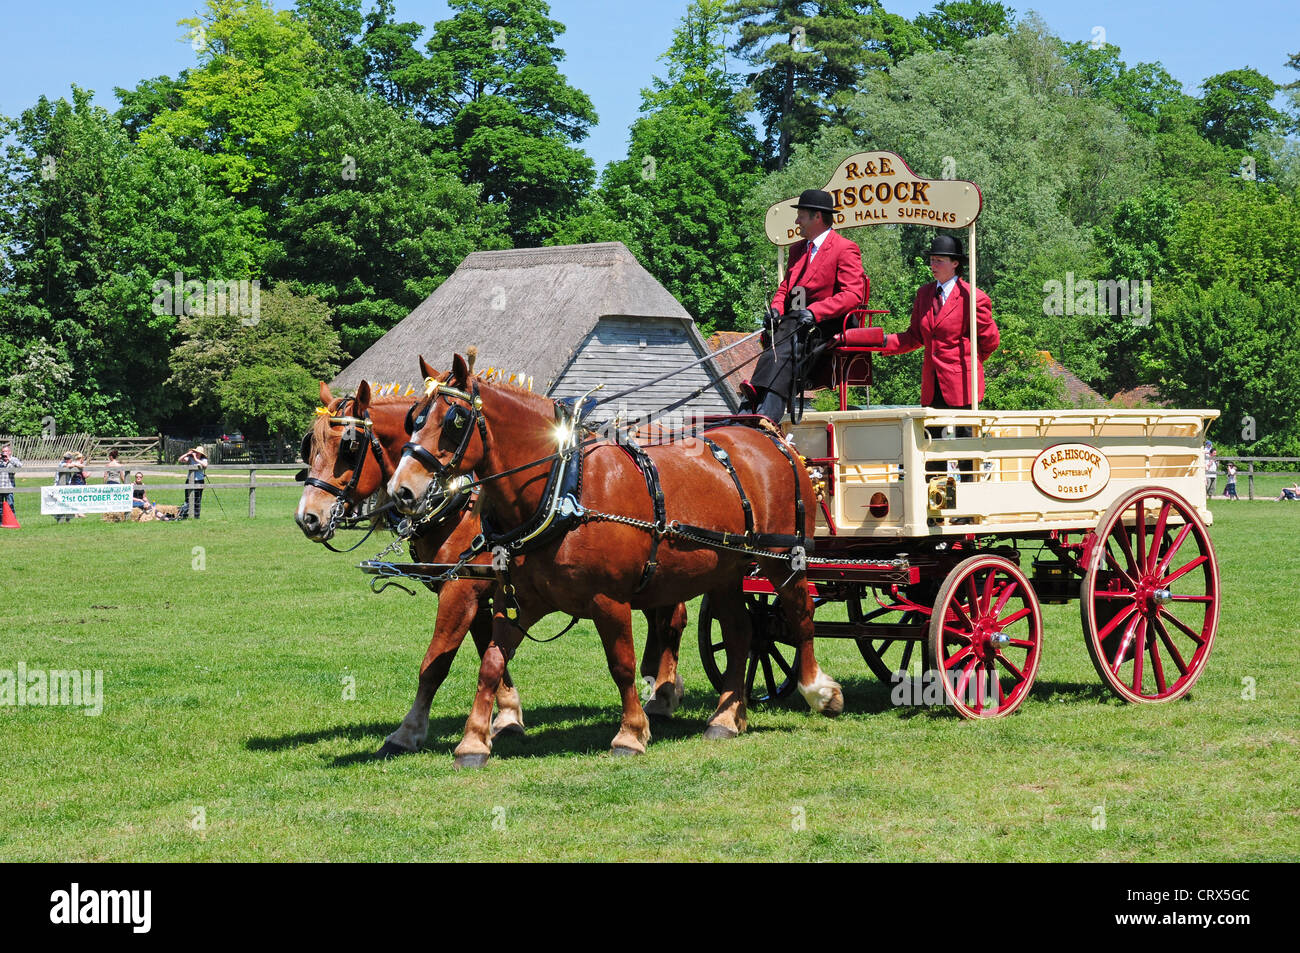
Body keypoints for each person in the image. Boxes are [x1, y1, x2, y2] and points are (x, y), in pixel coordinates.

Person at [744, 189, 867, 422]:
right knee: (776, 341)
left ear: (817, 217)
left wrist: (815, 311)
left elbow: (853, 295)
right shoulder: (797, 249)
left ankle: (765, 411)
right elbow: (785, 288)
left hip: (828, 323)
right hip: (796, 322)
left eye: (801, 215)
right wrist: (777, 308)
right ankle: (755, 400)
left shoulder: (845, 248)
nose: (796, 221)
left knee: (787, 343)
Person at [882, 234, 998, 410]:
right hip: (931, 389)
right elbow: (915, 336)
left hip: (963, 389)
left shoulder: (973, 297)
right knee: (931, 437)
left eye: (939, 260)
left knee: (964, 437)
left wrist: (968, 364)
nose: (933, 265)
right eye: (932, 260)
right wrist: (880, 342)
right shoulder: (924, 294)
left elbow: (990, 341)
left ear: (955, 263)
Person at [178, 444, 209, 519]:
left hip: (199, 481)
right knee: (188, 498)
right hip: (189, 480)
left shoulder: (203, 459)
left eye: (198, 452)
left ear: (201, 453)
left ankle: (196, 516)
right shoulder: (190, 458)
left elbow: (205, 465)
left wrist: (196, 459)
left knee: (197, 499)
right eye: (196, 452)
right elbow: (180, 460)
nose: (197, 453)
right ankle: (184, 515)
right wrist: (187, 454)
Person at [0, 443, 21, 515]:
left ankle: (13, 522)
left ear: (10, 452)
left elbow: (20, 466)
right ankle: (1, 522)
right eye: (3, 452)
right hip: (0, 487)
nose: (4, 453)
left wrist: (9, 459)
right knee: (0, 507)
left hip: (9, 487)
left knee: (10, 505)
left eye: (6, 451)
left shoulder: (14, 459)